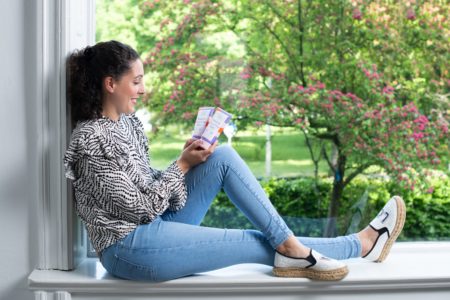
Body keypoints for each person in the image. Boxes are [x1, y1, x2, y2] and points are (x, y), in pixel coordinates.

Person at [63, 40, 406, 282]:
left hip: (153, 225)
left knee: (221, 156)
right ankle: (359, 246)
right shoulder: (90, 140)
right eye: (136, 81)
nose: (142, 89)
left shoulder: (128, 124)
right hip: (128, 249)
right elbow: (141, 210)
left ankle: (301, 247)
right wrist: (181, 166)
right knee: (253, 240)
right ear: (111, 84)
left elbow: (147, 184)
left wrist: (192, 161)